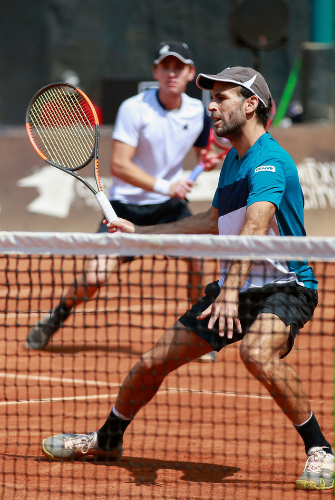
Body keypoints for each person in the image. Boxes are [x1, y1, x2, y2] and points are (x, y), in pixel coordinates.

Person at [39, 66, 335, 491]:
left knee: (256, 354)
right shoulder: (234, 161)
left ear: (252, 105)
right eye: (210, 98)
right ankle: (106, 441)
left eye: (223, 98)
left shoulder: (269, 161)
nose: (211, 106)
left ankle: (320, 449)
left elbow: (255, 228)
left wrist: (230, 292)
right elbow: (213, 221)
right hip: (237, 284)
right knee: (152, 362)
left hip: (286, 285)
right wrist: (141, 233)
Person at [26, 41, 221, 355]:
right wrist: (165, 185)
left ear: (190, 73)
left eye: (179, 67)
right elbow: (120, 165)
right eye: (165, 66)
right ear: (155, 71)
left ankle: (196, 331)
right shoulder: (135, 108)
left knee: (198, 259)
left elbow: (203, 153)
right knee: (94, 277)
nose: (172, 73)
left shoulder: (197, 111)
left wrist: (207, 160)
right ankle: (58, 314)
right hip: (125, 208)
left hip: (169, 209)